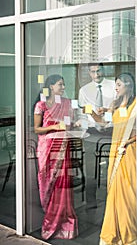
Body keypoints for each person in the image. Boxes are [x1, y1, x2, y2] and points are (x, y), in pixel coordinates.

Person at [91, 73, 137, 245]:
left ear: (128, 85)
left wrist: (127, 143)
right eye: (115, 85)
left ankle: (132, 233)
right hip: (115, 150)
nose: (116, 88)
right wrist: (93, 114)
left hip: (130, 151)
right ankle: (115, 233)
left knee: (130, 193)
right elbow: (104, 125)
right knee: (114, 193)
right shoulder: (114, 104)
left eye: (118, 84)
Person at [34, 74, 78, 240]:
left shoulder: (66, 104)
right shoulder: (41, 105)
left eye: (64, 84)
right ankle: (50, 221)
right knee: (48, 182)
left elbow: (72, 122)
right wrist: (55, 127)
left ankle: (63, 222)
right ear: (51, 86)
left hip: (62, 147)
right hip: (47, 148)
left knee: (62, 183)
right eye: (60, 84)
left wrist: (75, 123)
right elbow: (37, 129)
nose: (63, 87)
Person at [78, 62, 116, 128]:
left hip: (112, 128)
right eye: (93, 72)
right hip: (91, 129)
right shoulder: (84, 90)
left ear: (103, 70)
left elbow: (118, 109)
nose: (96, 75)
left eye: (98, 71)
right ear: (89, 73)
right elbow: (82, 115)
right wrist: (85, 127)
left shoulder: (114, 86)